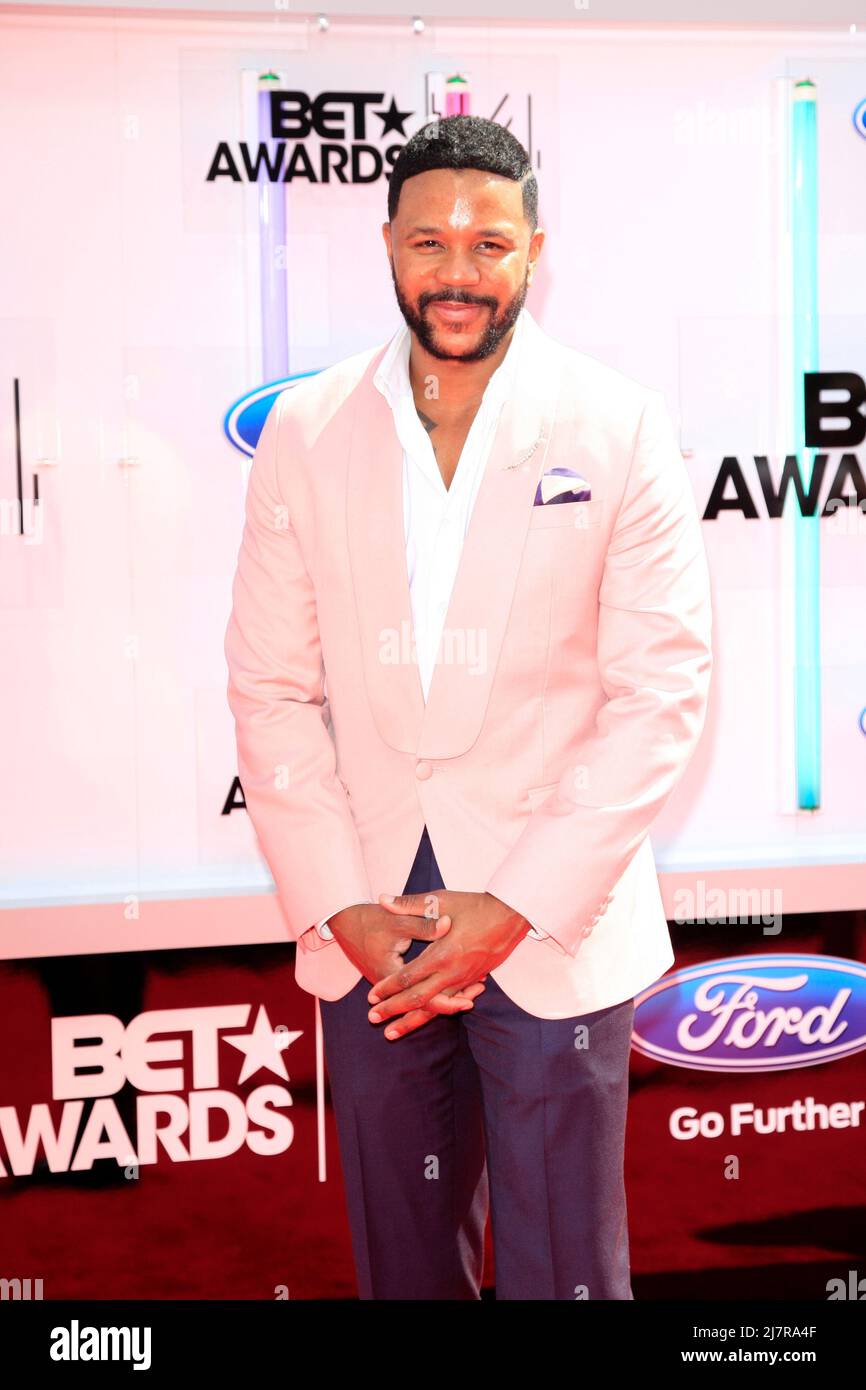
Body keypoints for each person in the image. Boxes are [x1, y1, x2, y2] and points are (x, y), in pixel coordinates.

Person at [224, 115, 713, 1300]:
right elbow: (271, 685)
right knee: (406, 1274)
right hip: (370, 930)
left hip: (554, 924)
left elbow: (659, 692)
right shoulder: (305, 428)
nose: (456, 271)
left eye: (488, 244)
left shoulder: (617, 423)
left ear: (534, 251)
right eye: (429, 240)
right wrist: (342, 900)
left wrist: (517, 901)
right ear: (385, 242)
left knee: (566, 1279)